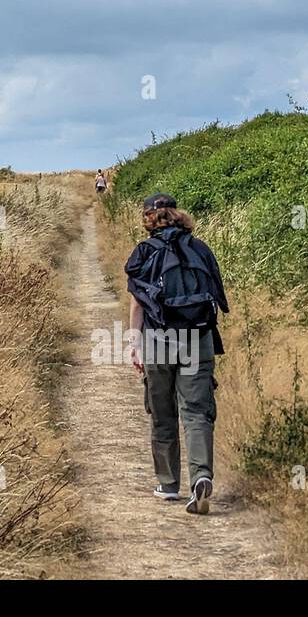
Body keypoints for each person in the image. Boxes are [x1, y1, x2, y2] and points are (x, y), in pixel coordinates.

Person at [123, 192, 229, 515]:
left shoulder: (144, 252)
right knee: (197, 412)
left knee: (162, 412)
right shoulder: (200, 249)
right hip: (198, 338)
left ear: (147, 219)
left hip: (158, 340)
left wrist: (134, 342)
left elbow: (137, 304)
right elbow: (216, 297)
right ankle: (202, 476)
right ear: (178, 215)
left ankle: (168, 484)